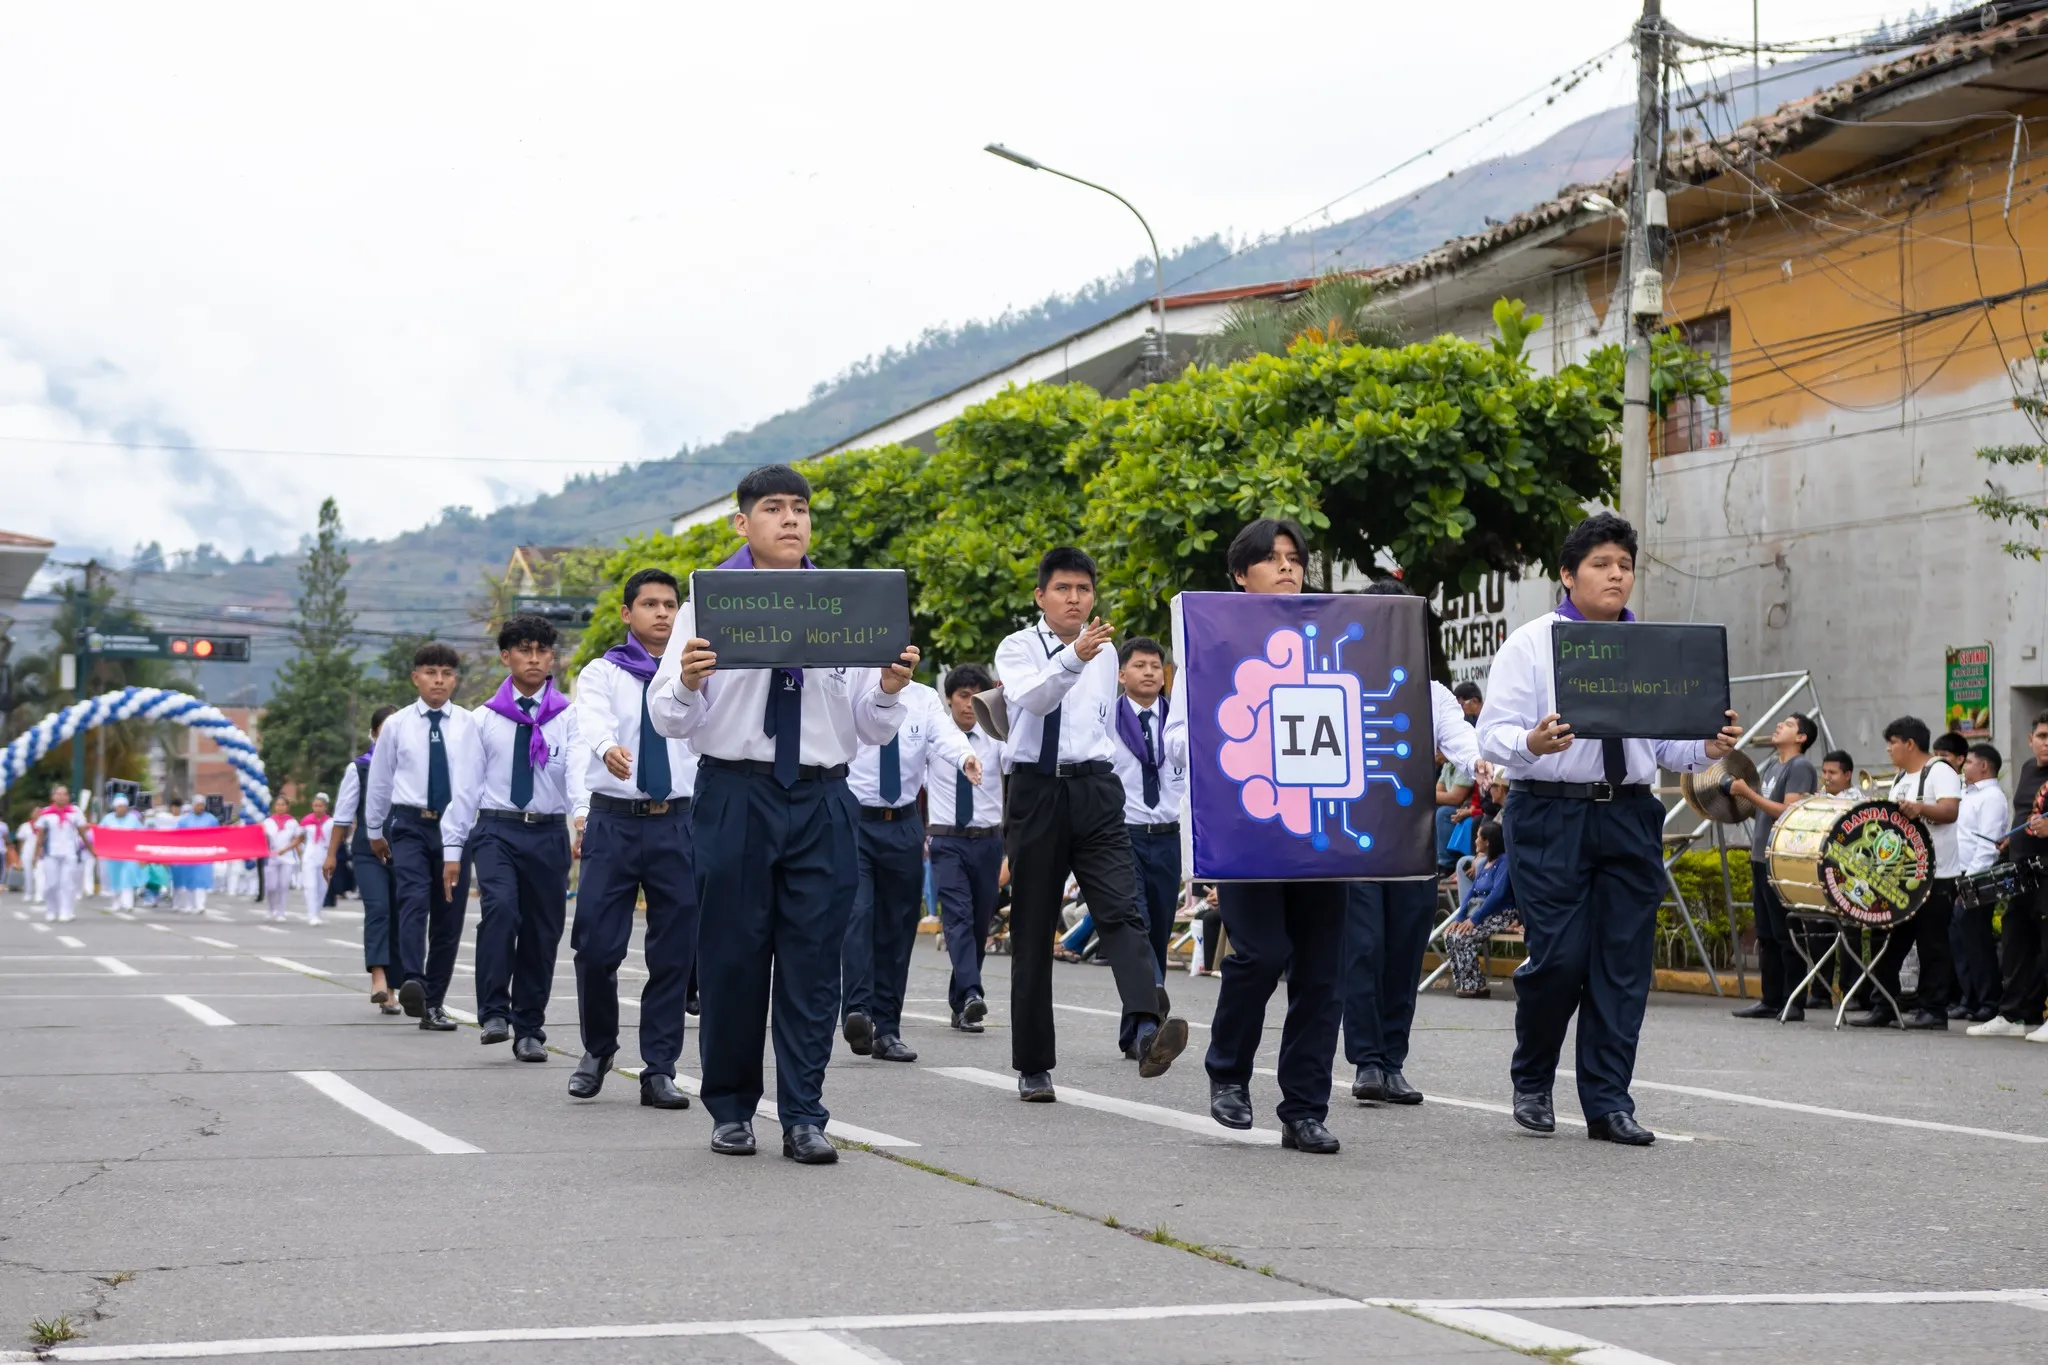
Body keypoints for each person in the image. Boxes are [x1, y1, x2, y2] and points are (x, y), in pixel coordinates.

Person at [651, 463, 920, 1164]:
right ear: (744, 523)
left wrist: (889, 688)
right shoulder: (705, 605)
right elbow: (667, 716)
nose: (791, 519)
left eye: (800, 508)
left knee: (813, 961)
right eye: (774, 508)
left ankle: (804, 1113)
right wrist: (684, 680)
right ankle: (733, 1109)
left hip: (825, 796)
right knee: (734, 958)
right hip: (736, 794)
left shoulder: (845, 605)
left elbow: (868, 725)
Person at [1476, 511, 1741, 1147]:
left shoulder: (1651, 649)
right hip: (1549, 812)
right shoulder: (1531, 643)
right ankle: (1534, 1079)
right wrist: (1533, 741)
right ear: (1568, 575)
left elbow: (1668, 753)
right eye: (1600, 564)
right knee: (1561, 958)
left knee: (1623, 965)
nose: (1615, 575)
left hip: (1629, 813)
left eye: (1624, 564)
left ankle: (1608, 1102)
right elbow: (1492, 736)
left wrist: (1707, 743)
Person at [1162, 519, 1353, 1153]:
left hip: (1322, 831)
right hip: (1247, 832)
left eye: (1295, 558)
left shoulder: (1334, 636)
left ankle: (1304, 1110)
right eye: (1271, 559)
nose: (1287, 568)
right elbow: (1177, 739)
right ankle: (1228, 1076)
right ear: (1240, 574)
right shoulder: (1210, 640)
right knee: (1264, 953)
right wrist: (1221, 741)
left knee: (1322, 973)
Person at [994, 544, 1188, 1106]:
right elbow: (1032, 698)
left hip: (1098, 789)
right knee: (1033, 928)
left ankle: (1147, 1028)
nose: (1074, 598)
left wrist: (1086, 654)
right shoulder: (1018, 647)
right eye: (1063, 589)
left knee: (1121, 909)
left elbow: (1101, 719)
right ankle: (1034, 1065)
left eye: (1083, 589)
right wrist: (1073, 655)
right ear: (1041, 595)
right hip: (1036, 790)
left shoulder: (1106, 654)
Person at [1343, 577, 1482, 1107]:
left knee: (1403, 951)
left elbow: (1462, 742)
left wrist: (1481, 764)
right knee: (1362, 949)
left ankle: (1393, 1061)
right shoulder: (1335, 679)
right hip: (1353, 839)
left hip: (1413, 838)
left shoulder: (1431, 691)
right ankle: (1366, 1062)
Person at [569, 571, 700, 1107]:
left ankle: (659, 1068)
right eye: (650, 604)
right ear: (628, 614)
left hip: (679, 821)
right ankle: (598, 1047)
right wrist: (606, 748)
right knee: (595, 948)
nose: (663, 614)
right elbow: (590, 720)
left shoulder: (696, 672)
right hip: (614, 820)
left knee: (673, 951)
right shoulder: (602, 671)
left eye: (670, 604)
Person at [445, 614, 583, 1065]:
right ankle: (493, 1013)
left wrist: (584, 820)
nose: (534, 658)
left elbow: (577, 777)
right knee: (501, 910)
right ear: (506, 657)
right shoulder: (483, 719)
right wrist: (452, 848)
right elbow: (465, 787)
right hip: (496, 829)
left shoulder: (567, 717)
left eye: (543, 650)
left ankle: (530, 1029)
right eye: (524, 649)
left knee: (543, 932)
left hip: (547, 832)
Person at [840, 654, 978, 1065]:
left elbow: (945, 737)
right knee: (858, 914)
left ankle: (888, 1029)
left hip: (902, 823)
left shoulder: (923, 700)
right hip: (854, 821)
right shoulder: (851, 693)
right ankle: (858, 1011)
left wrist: (965, 757)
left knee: (899, 927)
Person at [366, 641, 481, 1033]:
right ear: (416, 677)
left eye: (447, 673)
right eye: (431, 673)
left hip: (456, 825)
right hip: (410, 824)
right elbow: (380, 781)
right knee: (413, 898)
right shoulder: (397, 725)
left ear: (455, 679)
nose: (439, 680)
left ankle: (434, 1003)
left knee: (449, 916)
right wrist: (373, 829)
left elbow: (473, 781)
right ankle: (414, 979)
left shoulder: (469, 724)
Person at [1849, 717, 1960, 1030]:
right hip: (1902, 877)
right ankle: (1883, 1004)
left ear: (1910, 743)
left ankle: (1933, 1011)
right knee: (1889, 942)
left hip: (1936, 876)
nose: (1888, 749)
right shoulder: (1901, 777)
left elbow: (1950, 812)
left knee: (1932, 945)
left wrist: (1920, 809)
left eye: (1892, 743)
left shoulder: (1940, 771)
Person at [1104, 636, 1186, 1054]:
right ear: (1121, 674)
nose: (1151, 672)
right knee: (1135, 924)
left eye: (1157, 665)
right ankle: (1152, 992)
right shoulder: (1108, 719)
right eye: (1140, 665)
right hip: (1123, 836)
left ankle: (1138, 1034)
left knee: (1157, 933)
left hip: (1168, 837)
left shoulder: (1178, 721)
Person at [926, 663, 1006, 1033]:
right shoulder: (934, 738)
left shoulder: (998, 740)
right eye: (962, 695)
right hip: (947, 841)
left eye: (977, 695)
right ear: (949, 699)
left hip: (989, 842)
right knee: (956, 916)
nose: (969, 703)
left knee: (977, 923)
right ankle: (973, 992)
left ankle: (962, 1003)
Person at [1727, 714, 1822, 1021]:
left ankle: (1793, 1001)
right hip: (1761, 856)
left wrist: (1748, 794)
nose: (1779, 726)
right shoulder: (1772, 766)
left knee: (1786, 932)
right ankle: (1770, 999)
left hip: (1783, 859)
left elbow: (1789, 811)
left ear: (1801, 738)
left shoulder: (1800, 767)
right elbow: (1764, 812)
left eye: (1789, 724)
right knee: (1766, 933)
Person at [1970, 713, 2048, 1041]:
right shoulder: (2029, 770)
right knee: (2016, 942)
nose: (2047, 742)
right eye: (2042, 735)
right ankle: (2013, 1015)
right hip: (2021, 868)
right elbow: (2024, 812)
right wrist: (2011, 839)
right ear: (2030, 739)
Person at [330, 707, 402, 1014]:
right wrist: (331, 853)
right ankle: (378, 976)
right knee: (379, 908)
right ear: (373, 734)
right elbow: (344, 814)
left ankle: (394, 988)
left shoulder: (414, 767)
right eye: (384, 730)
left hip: (407, 850)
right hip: (368, 851)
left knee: (402, 915)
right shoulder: (358, 768)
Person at [1951, 742, 2007, 1024]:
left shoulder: (1992, 798)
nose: (1964, 767)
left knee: (1978, 940)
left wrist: (1970, 880)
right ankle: (1969, 999)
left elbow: (1987, 845)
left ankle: (1989, 1001)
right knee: (1960, 940)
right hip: (1959, 872)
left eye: (1969, 762)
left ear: (1984, 766)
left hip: (1978, 875)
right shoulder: (1967, 794)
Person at [1444, 821, 1518, 997]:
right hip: (1479, 911)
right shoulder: (1484, 862)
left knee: (1464, 937)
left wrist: (1474, 919)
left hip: (1500, 912)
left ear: (1488, 841)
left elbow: (1497, 894)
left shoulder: (1504, 862)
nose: (1475, 840)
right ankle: (1463, 982)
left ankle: (1476, 986)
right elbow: (1472, 892)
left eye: (1479, 837)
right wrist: (1460, 918)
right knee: (1450, 934)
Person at [32, 787, 85, 924]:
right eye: (58, 794)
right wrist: (36, 853)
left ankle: (66, 911)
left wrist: (92, 850)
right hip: (51, 854)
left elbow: (82, 834)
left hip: (70, 853)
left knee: (67, 884)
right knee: (51, 884)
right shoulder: (46, 813)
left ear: (68, 797)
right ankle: (51, 910)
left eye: (64, 794)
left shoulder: (75, 813)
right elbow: (40, 836)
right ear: (53, 797)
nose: (61, 797)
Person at [98, 794, 146, 911]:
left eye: (124, 806)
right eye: (120, 806)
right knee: (115, 879)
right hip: (113, 855)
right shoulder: (108, 819)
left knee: (127, 878)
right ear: (115, 807)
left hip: (129, 854)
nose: (122, 809)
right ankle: (116, 902)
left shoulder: (133, 819)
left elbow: (141, 835)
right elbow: (100, 833)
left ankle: (128, 903)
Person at [171, 798, 218, 915]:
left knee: (202, 880)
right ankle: (189, 905)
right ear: (193, 806)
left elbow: (218, 834)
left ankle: (200, 905)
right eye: (198, 805)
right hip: (189, 854)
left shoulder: (211, 819)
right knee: (189, 880)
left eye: (202, 805)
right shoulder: (185, 820)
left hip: (204, 854)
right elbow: (178, 836)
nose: (200, 807)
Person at [260, 800, 300, 922]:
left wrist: (287, 849)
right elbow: (262, 838)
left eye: (283, 805)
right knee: (271, 886)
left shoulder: (292, 822)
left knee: (283, 885)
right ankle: (271, 908)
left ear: (287, 807)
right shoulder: (268, 822)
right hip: (271, 857)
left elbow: (297, 839)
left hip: (287, 857)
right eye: (278, 805)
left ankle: (281, 911)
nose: (280, 807)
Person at [297, 795, 332, 926]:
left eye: (320, 806)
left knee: (322, 887)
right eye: (315, 806)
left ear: (325, 807)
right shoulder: (306, 821)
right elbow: (299, 838)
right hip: (310, 854)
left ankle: (317, 911)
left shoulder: (330, 822)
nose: (317, 808)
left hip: (324, 854)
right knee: (310, 886)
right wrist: (300, 852)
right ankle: (311, 914)